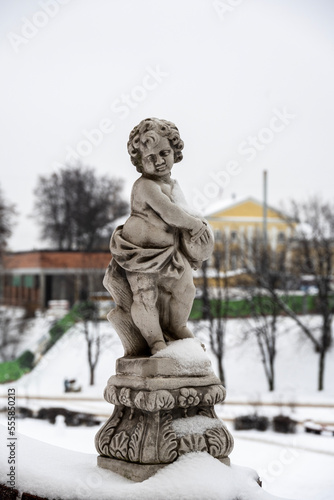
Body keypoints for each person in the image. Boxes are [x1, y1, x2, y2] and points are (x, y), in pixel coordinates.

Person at [108, 118, 212, 355]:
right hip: (140, 254)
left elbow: (183, 209)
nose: (159, 161)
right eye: (149, 158)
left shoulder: (173, 185)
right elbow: (169, 211)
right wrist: (194, 225)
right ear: (139, 162)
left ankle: (177, 326)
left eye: (164, 152)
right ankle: (155, 341)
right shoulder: (144, 186)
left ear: (175, 151)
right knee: (145, 297)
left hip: (170, 253)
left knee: (186, 289)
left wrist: (196, 242)